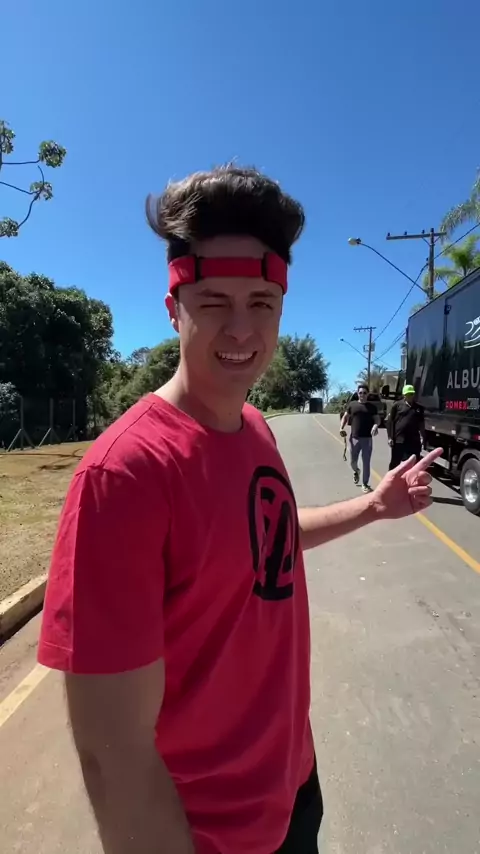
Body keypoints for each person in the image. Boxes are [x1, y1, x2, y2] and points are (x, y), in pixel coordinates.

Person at [38, 165, 439, 854]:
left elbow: (265, 545)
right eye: (215, 301)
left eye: (261, 302)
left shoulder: (254, 428)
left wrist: (373, 507)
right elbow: (115, 758)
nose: (242, 328)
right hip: (212, 833)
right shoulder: (124, 475)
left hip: (293, 788)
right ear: (174, 308)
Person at [340, 384, 380, 493]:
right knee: (353, 462)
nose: (362, 395)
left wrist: (375, 425)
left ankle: (365, 484)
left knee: (366, 462)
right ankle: (356, 471)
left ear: (368, 394)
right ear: (358, 393)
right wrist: (341, 428)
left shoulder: (372, 407)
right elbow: (345, 417)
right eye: (360, 393)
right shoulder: (352, 405)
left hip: (367, 439)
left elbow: (377, 419)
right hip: (354, 438)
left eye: (364, 393)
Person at [387, 384, 425, 470]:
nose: (410, 396)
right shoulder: (397, 405)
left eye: (412, 394)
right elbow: (390, 422)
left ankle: (410, 478)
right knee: (395, 463)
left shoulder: (418, 408)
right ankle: (391, 477)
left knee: (413, 463)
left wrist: (422, 436)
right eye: (408, 394)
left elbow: (421, 423)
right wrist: (390, 437)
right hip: (399, 439)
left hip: (413, 440)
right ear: (404, 395)